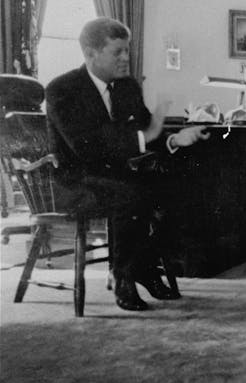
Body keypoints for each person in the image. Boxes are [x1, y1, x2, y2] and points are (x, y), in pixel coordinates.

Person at [45, 17, 209, 311]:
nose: (125, 58)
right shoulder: (62, 88)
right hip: (75, 181)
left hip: (116, 176)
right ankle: (124, 275)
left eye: (126, 51)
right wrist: (143, 140)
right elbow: (87, 147)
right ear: (91, 54)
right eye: (117, 52)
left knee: (180, 185)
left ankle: (142, 266)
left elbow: (149, 130)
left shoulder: (127, 87)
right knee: (131, 194)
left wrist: (175, 140)